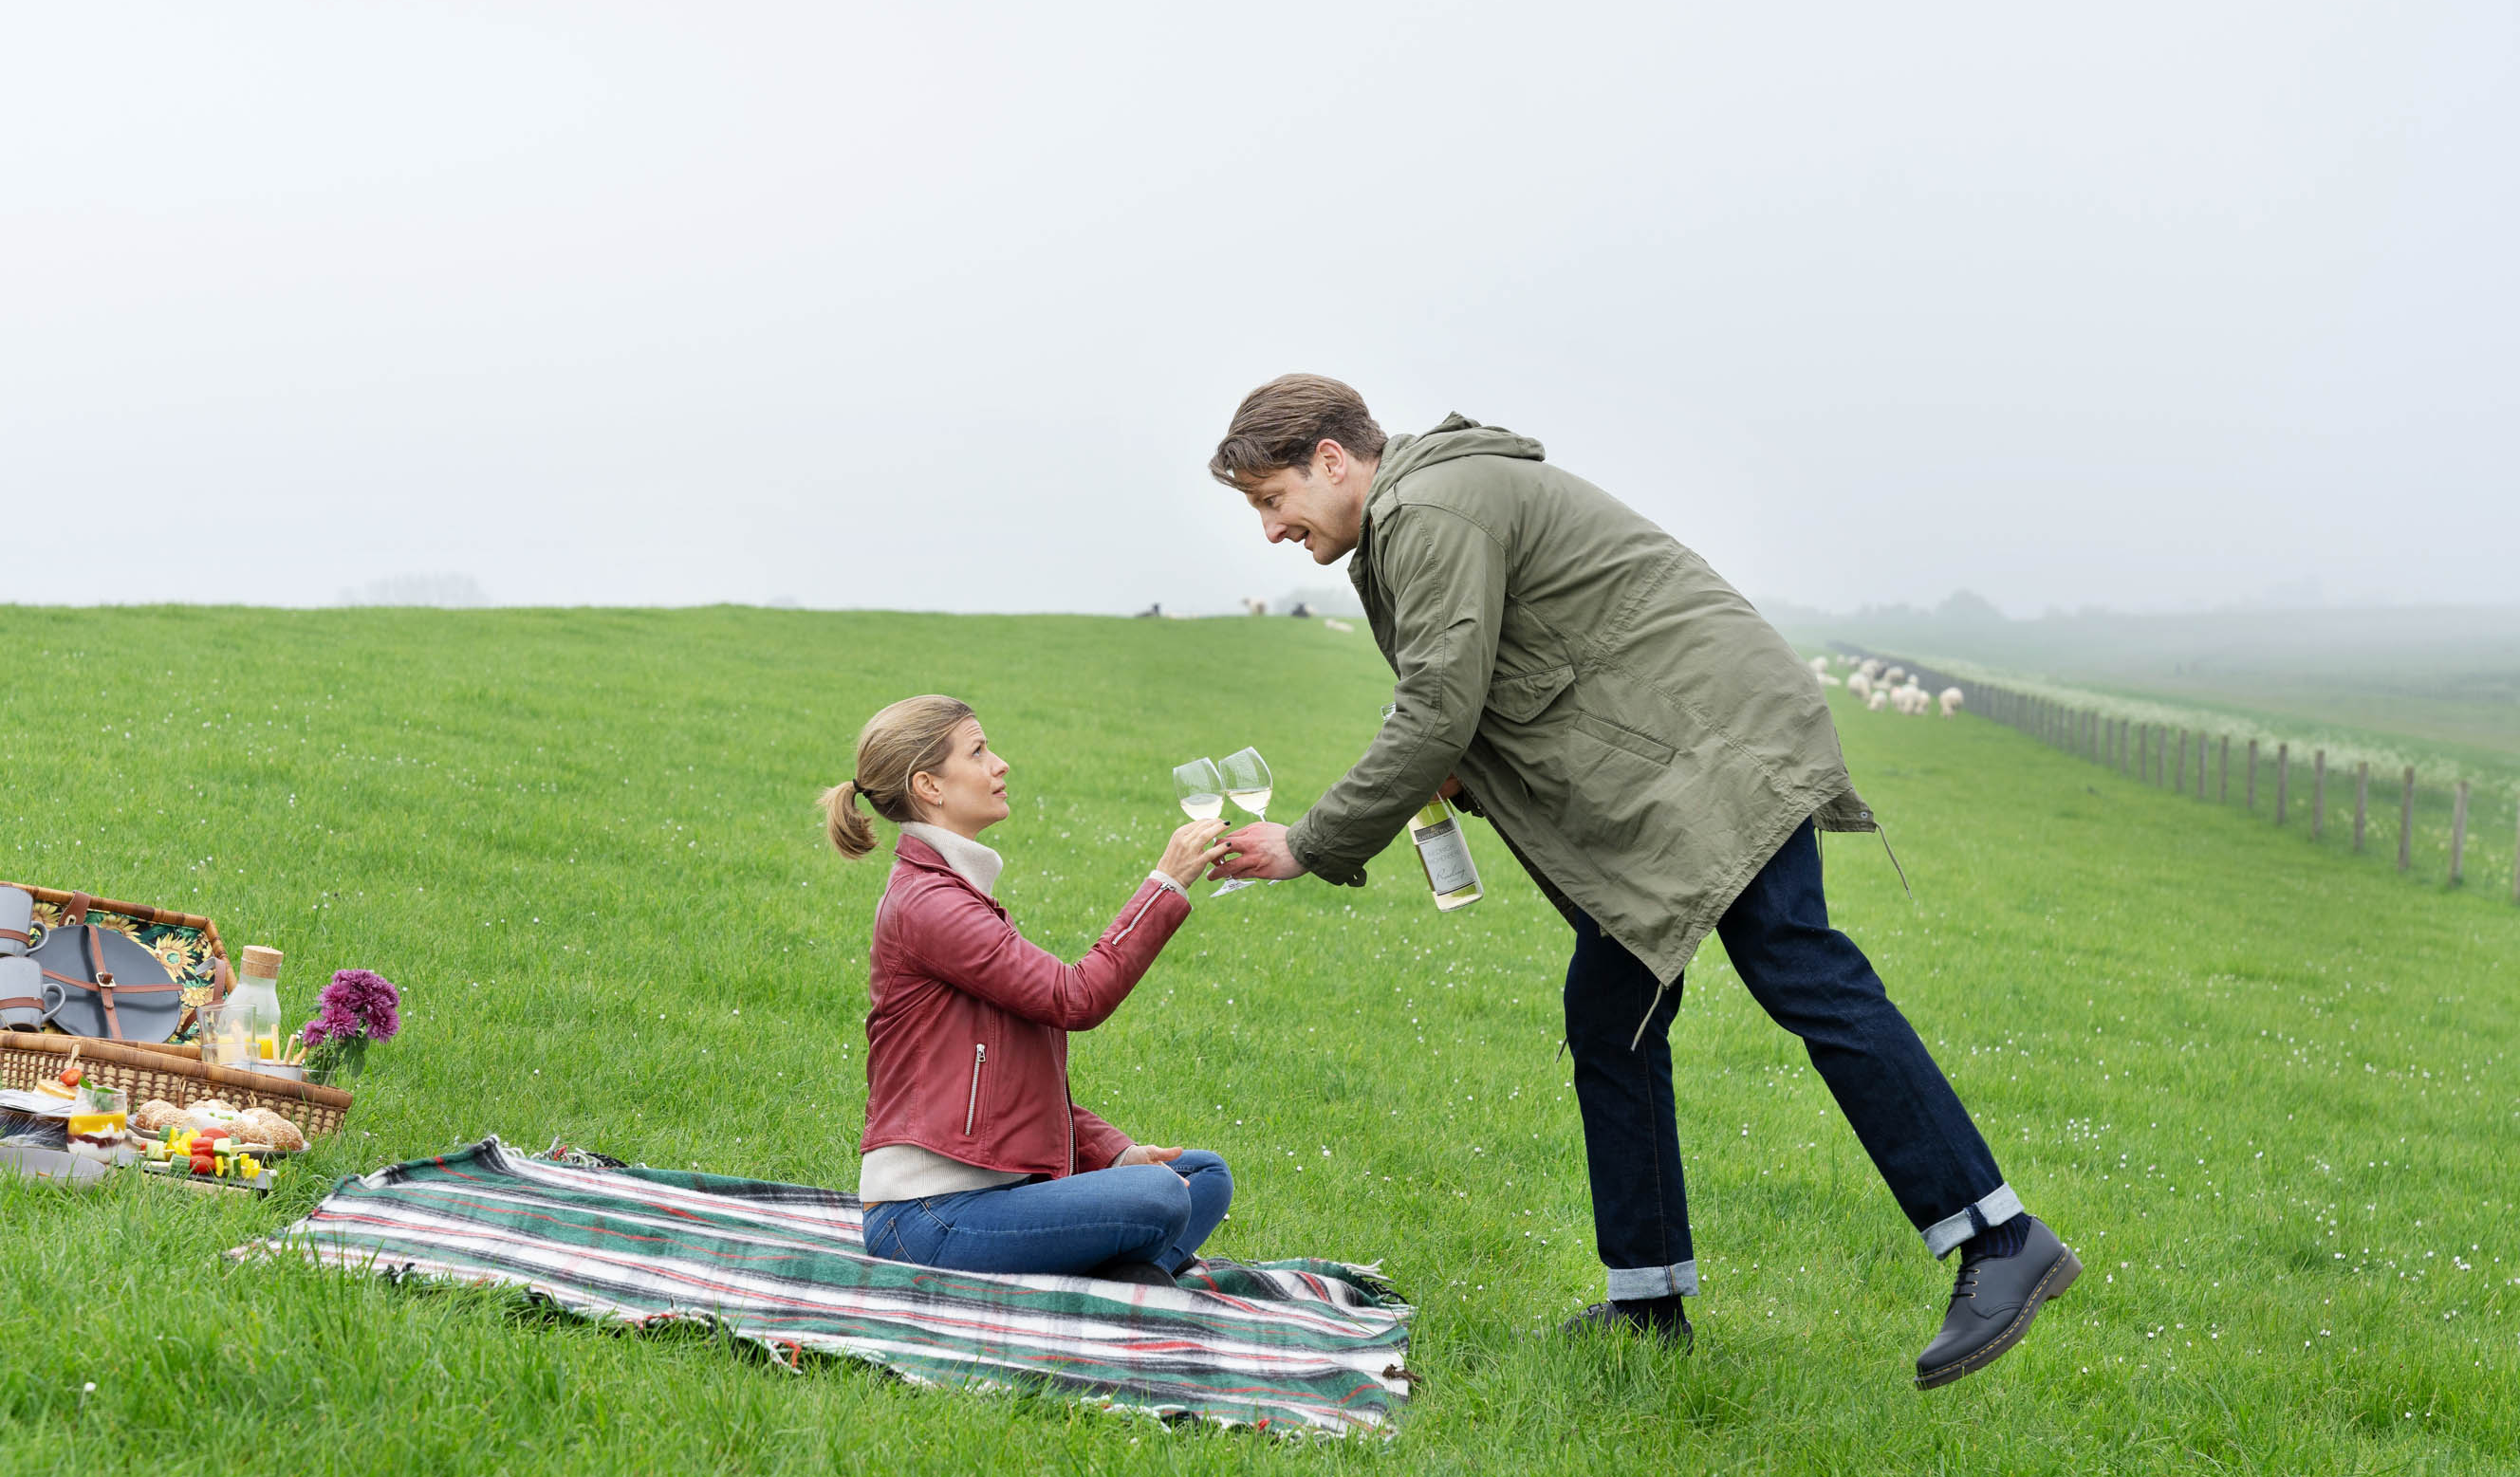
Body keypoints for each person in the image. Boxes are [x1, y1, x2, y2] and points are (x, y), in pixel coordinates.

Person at [1203, 375, 2078, 1388]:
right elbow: (1481, 684)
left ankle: (1999, 1238)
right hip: (1676, 762)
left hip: (1716, 748)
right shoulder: (1420, 512)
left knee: (1800, 967)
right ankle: (1647, 1303)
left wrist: (1309, 841)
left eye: (1272, 500)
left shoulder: (1432, 508)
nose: (1270, 531)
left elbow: (1439, 703)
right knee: (1610, 1014)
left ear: (1331, 459)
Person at [821, 693, 1235, 1286]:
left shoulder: (957, 895)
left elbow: (1011, 1075)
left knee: (1204, 1176)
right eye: (979, 750)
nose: (1001, 764)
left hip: (997, 1191)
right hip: (928, 1217)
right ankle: (1126, 1277)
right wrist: (1166, 883)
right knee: (1161, 1199)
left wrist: (1113, 1153)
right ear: (929, 786)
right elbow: (1077, 998)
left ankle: (1122, 1278)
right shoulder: (928, 904)